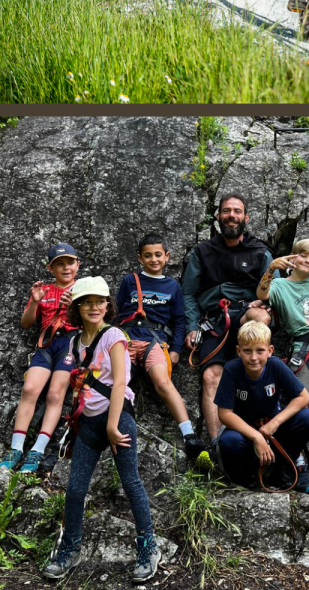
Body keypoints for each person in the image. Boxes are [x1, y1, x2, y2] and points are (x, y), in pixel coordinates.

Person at [42, 277, 160, 583]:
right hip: (89, 423)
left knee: (131, 482)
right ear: (77, 308)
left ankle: (149, 546)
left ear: (108, 305)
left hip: (117, 421)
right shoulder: (74, 342)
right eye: (87, 302)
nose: (94, 307)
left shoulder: (114, 336)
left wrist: (111, 425)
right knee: (76, 488)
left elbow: (121, 382)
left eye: (100, 301)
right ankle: (70, 548)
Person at [181, 193, 274, 461]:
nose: (231, 215)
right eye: (226, 211)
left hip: (246, 313)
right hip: (216, 320)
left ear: (246, 217)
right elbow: (188, 293)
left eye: (237, 211)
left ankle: (260, 394)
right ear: (219, 217)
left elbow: (276, 287)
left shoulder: (260, 252)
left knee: (261, 319)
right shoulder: (203, 251)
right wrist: (191, 326)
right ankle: (217, 446)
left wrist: (265, 302)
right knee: (211, 376)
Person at [258, 239, 309, 492]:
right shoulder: (280, 284)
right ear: (293, 256)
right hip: (301, 347)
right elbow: (261, 294)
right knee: (300, 403)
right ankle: (298, 463)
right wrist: (271, 268)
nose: (308, 262)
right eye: (303, 256)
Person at [114, 233, 202, 461]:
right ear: (140, 258)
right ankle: (109, 425)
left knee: (163, 382)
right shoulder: (129, 281)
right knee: (118, 381)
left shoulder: (172, 286)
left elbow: (179, 320)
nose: (154, 259)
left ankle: (189, 434)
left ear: (167, 256)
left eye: (158, 255)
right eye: (148, 255)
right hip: (128, 337)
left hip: (155, 338)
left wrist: (175, 349)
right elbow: (115, 313)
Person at [2, 244, 79, 474]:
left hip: (70, 343)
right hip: (46, 344)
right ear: (50, 268)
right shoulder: (43, 290)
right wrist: (35, 301)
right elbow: (26, 324)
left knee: (56, 394)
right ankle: (15, 449)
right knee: (30, 390)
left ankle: (37, 450)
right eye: (59, 264)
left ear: (78, 265)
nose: (66, 268)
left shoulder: (83, 289)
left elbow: (94, 322)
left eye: (70, 262)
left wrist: (73, 308)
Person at [215, 320, 309, 492]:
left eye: (260, 351)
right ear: (239, 351)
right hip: (244, 431)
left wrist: (274, 423)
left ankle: (282, 468)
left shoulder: (275, 365)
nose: (253, 357)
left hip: (272, 427)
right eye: (247, 351)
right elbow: (225, 414)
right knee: (229, 441)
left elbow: (303, 397)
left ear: (270, 351)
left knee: (307, 418)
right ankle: (247, 475)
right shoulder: (231, 369)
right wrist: (256, 437)